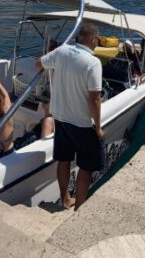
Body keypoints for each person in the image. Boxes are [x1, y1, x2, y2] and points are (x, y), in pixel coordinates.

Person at [35, 23, 104, 210]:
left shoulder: (61, 51)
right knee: (86, 167)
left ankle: (65, 199)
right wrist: (98, 127)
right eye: (98, 40)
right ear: (93, 39)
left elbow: (38, 64)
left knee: (63, 161)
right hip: (82, 123)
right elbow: (95, 99)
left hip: (61, 120)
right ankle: (79, 207)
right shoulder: (93, 62)